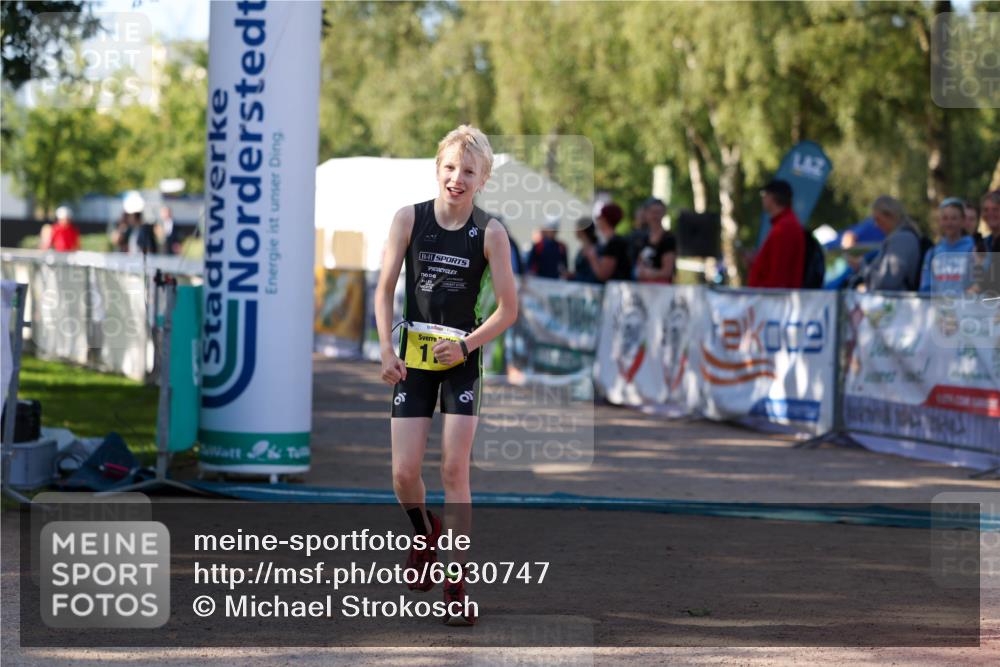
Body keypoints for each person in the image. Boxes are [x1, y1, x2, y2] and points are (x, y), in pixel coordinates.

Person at [374, 125, 517, 626]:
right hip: (412, 359)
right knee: (403, 472)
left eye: (470, 172)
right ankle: (423, 532)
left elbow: (507, 309)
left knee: (454, 470)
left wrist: (464, 347)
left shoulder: (491, 232)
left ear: (483, 179)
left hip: (461, 361)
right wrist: (386, 349)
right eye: (451, 168)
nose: (458, 179)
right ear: (438, 169)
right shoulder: (407, 219)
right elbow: (383, 289)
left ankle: (456, 584)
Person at [855, 196, 923, 292]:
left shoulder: (901, 239)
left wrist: (861, 267)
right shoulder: (902, 237)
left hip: (898, 304)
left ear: (890, 216)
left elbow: (888, 282)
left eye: (877, 219)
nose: (876, 225)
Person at [748, 179, 805, 289]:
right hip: (773, 298)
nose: (763, 198)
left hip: (774, 300)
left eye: (764, 194)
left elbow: (779, 273)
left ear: (773, 197)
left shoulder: (785, 227)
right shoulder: (784, 224)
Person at [919, 197, 975, 294]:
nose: (949, 223)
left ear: (963, 221)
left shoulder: (975, 249)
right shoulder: (932, 252)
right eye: (945, 218)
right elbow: (925, 288)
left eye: (954, 218)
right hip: (937, 308)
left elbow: (980, 285)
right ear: (940, 221)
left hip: (967, 308)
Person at [581, 202, 632, 283]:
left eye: (600, 216)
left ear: (605, 219)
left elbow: (603, 275)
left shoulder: (615, 243)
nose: (597, 219)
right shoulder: (610, 242)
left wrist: (592, 257)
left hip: (615, 292)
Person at [634, 200, 677, 283]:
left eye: (658, 212)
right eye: (652, 212)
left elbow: (667, 271)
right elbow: (639, 263)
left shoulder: (668, 238)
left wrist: (651, 273)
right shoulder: (643, 237)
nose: (655, 216)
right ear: (646, 213)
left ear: (664, 214)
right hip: (643, 287)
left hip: (660, 288)